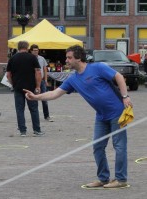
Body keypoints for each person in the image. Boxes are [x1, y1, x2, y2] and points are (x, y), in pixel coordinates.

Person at [24, 45, 132, 188]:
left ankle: (121, 179)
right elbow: (55, 93)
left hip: (117, 112)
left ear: (78, 58)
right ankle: (103, 178)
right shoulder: (72, 79)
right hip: (101, 116)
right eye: (66, 58)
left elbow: (118, 77)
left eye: (69, 58)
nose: (66, 60)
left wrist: (125, 97)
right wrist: (36, 97)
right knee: (97, 147)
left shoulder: (98, 67)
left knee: (119, 146)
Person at [6, 41, 43, 137]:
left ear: (18, 48)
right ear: (27, 47)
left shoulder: (12, 58)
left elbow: (8, 74)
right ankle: (37, 130)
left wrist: (13, 84)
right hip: (31, 87)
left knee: (19, 109)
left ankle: (23, 131)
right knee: (34, 109)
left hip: (18, 87)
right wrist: (38, 86)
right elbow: (38, 72)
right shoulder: (32, 57)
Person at [30, 44, 54, 122]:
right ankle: (35, 116)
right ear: (31, 51)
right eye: (34, 50)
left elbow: (45, 69)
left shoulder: (41, 58)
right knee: (33, 99)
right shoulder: (29, 58)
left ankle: (46, 116)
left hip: (42, 81)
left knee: (44, 98)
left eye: (37, 50)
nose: (36, 52)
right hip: (32, 81)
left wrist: (46, 80)